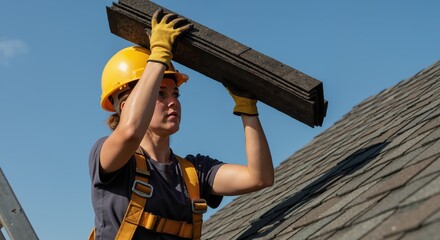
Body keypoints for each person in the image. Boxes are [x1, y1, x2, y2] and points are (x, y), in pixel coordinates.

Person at [89, 8, 273, 240]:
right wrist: (159, 54)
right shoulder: (110, 157)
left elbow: (260, 177)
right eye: (160, 94)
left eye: (175, 94)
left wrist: (248, 112)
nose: (173, 102)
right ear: (125, 107)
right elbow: (130, 132)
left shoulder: (193, 173)